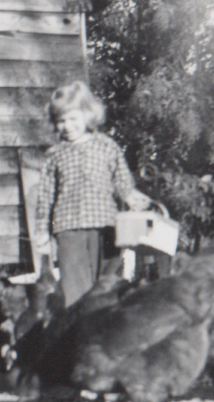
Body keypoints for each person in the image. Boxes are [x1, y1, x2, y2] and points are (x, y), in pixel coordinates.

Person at [34, 81, 152, 306]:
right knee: (76, 292)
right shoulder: (55, 155)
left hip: (106, 226)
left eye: (73, 119)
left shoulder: (107, 146)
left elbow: (122, 180)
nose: (67, 126)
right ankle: (79, 324)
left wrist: (131, 196)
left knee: (105, 287)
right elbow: (46, 195)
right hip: (69, 228)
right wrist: (42, 231)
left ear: (87, 114)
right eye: (61, 121)